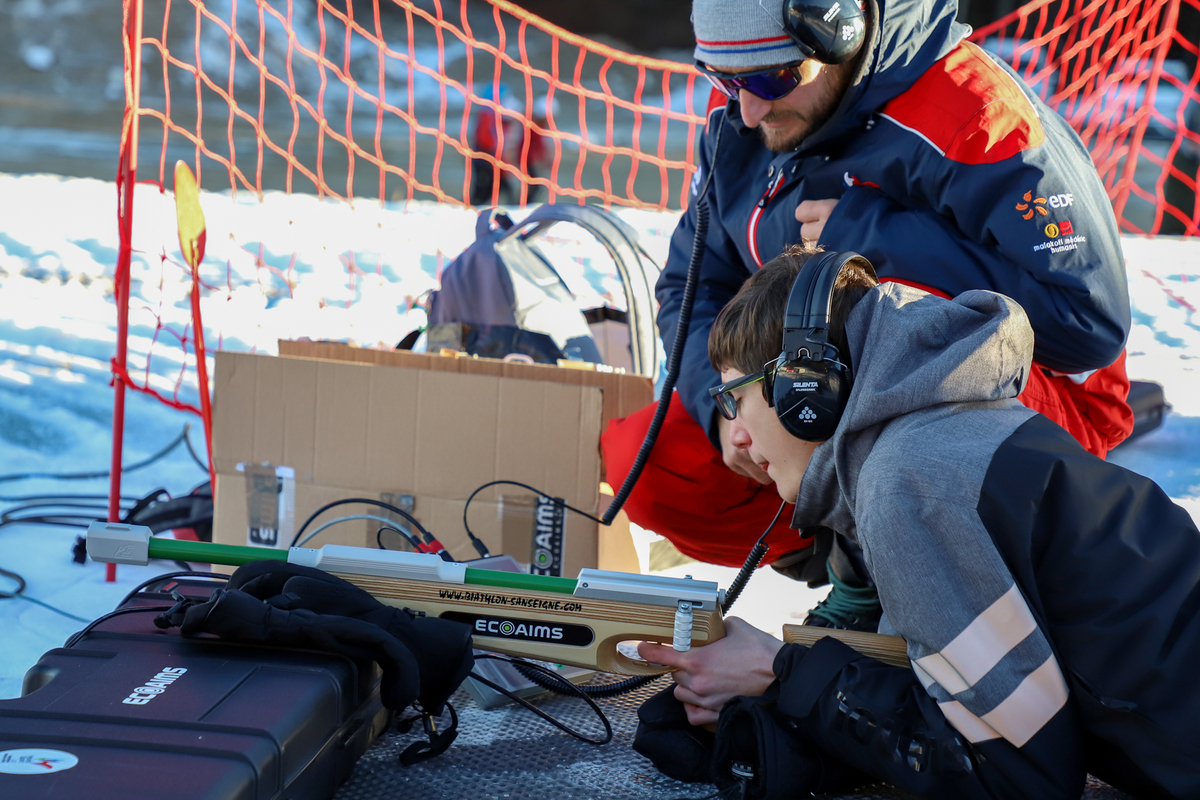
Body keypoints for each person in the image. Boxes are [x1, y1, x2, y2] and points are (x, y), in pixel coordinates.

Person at [601, 0, 1134, 626]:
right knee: (655, 459)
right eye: (723, 79)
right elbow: (691, 293)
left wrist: (874, 240)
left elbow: (1088, 324)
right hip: (826, 392)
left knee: (858, 315)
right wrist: (724, 408)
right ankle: (853, 556)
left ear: (839, 31)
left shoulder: (978, 115)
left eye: (771, 78)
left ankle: (909, 580)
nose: (746, 109)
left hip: (1032, 407)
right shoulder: (745, 117)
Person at [634, 245, 1200, 800]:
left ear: (802, 387)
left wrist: (781, 673)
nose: (734, 434)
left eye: (734, 396)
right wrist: (782, 705)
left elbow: (1015, 773)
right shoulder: (940, 437)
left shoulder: (907, 481)